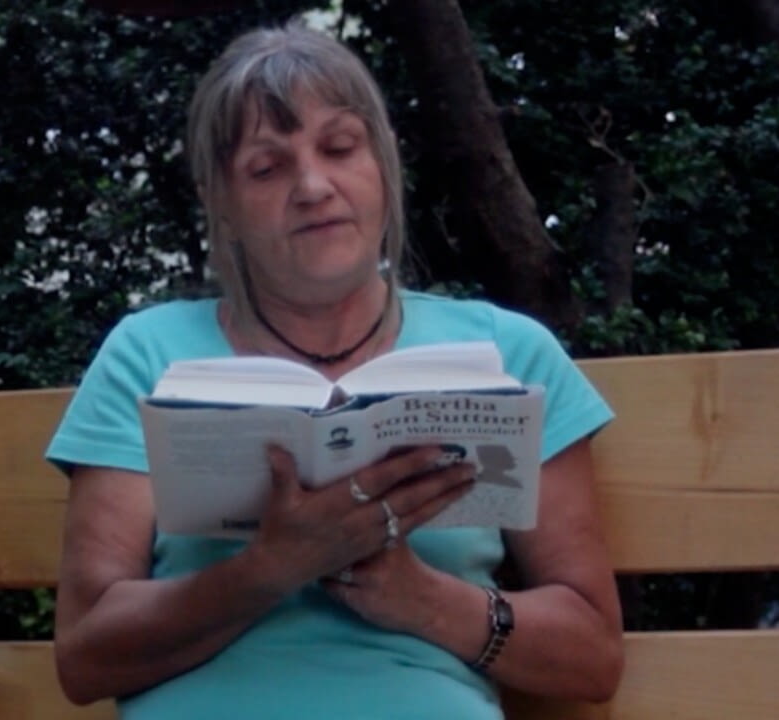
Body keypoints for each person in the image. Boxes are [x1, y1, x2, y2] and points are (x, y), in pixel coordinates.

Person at [45, 22, 622, 719]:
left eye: (340, 147)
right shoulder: (147, 355)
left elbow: (593, 655)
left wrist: (424, 599)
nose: (313, 186)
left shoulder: (507, 353)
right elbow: (85, 657)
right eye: (266, 169)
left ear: (383, 161)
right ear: (220, 202)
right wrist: (270, 569)